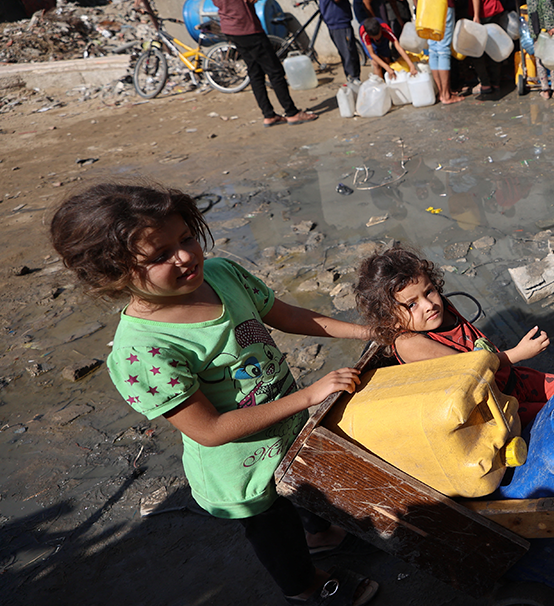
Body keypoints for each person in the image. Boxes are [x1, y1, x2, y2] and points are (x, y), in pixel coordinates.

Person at [49, 182, 379, 605]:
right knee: (273, 525)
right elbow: (208, 429)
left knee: (306, 483)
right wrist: (308, 396)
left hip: (291, 433)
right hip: (240, 468)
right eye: (160, 256)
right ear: (112, 274)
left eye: (185, 238)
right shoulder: (144, 349)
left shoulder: (223, 274)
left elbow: (286, 314)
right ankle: (305, 585)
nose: (185, 256)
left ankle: (323, 535)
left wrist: (367, 331)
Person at [354, 243, 554, 425]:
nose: (429, 305)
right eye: (411, 305)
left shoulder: (440, 306)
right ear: (389, 319)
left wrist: (511, 362)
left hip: (510, 378)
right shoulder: (409, 342)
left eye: (429, 291)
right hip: (493, 407)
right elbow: (473, 369)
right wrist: (517, 354)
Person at [199, 0, 317, 126]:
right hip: (246, 26)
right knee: (275, 71)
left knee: (255, 72)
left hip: (230, 26)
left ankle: (269, 114)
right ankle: (291, 112)